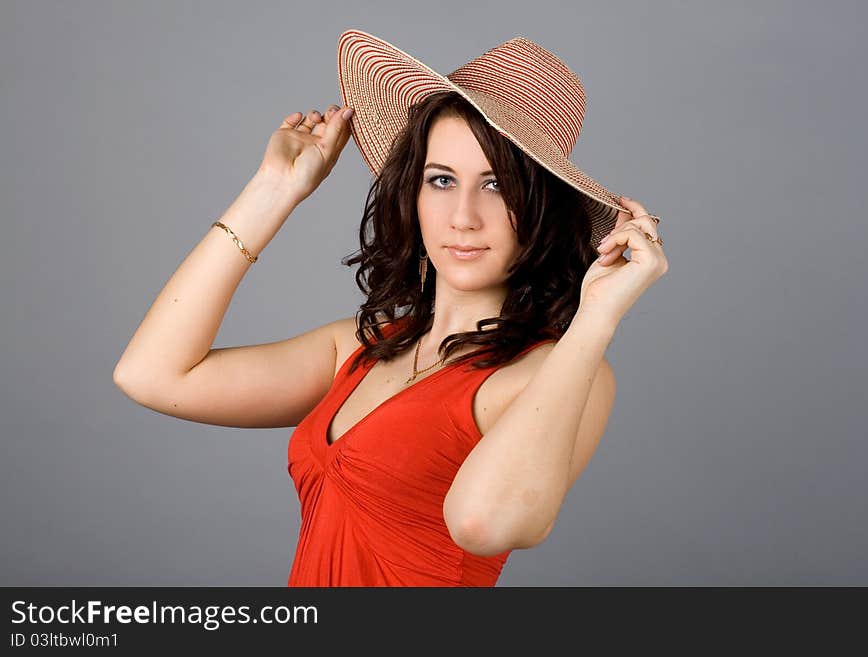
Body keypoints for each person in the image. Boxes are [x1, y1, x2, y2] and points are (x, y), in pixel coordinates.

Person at [113, 29, 668, 587]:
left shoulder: (564, 370)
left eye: (497, 185)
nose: (464, 217)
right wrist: (274, 190)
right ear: (413, 194)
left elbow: (484, 523)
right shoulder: (362, 346)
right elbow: (154, 375)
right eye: (441, 180)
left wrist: (596, 318)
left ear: (543, 209)